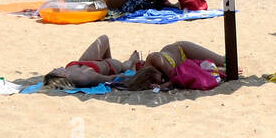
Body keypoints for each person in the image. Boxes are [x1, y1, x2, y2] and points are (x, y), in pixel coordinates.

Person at [46, 35, 231, 91]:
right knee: (223, 61)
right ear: (61, 74)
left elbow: (175, 77)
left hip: (180, 50)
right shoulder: (79, 75)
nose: (55, 67)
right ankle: (127, 63)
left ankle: (128, 63)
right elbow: (110, 78)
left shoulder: (72, 72)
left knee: (222, 62)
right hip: (181, 48)